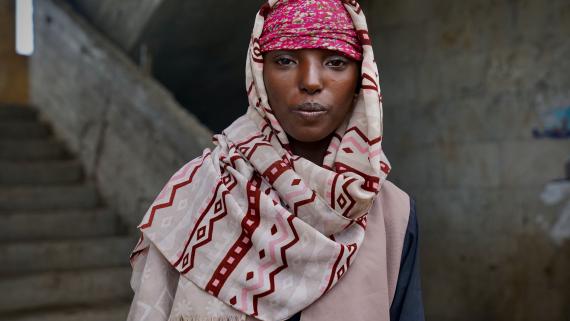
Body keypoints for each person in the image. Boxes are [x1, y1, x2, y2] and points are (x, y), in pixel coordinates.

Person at [127, 0, 424, 320]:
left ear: (360, 82)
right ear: (258, 76)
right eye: (285, 60)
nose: (311, 81)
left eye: (336, 62)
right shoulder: (199, 192)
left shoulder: (394, 215)